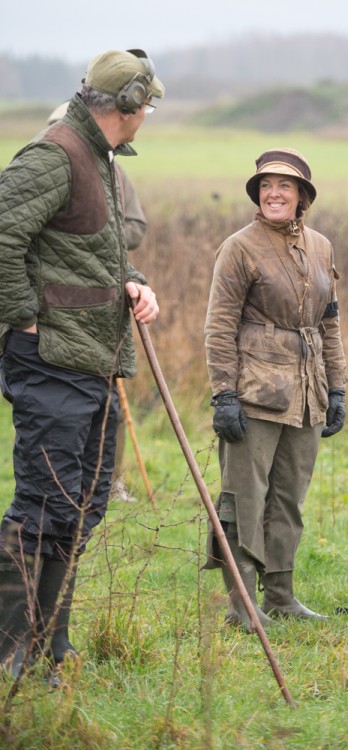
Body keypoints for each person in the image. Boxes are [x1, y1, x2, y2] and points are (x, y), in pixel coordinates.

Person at [0, 48, 164, 677]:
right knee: (42, 507)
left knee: (81, 504)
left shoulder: (98, 156)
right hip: (50, 361)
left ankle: (49, 645)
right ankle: (10, 653)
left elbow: (91, 252)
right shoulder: (55, 154)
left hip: (92, 361)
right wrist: (22, 314)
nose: (147, 115)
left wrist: (135, 282)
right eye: (146, 105)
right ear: (127, 106)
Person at [204, 148, 347, 630]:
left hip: (307, 395)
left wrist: (338, 388)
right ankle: (242, 604)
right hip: (253, 393)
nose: (274, 193)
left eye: (285, 186)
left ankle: (281, 596)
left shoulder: (322, 246)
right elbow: (218, 326)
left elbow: (330, 324)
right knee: (245, 497)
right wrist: (224, 394)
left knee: (289, 497)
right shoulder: (239, 247)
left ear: (303, 195)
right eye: (266, 185)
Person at [48, 101, 149, 504]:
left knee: (109, 406)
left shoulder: (113, 173)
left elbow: (136, 226)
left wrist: (100, 240)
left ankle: (108, 483)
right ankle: (60, 489)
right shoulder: (44, 168)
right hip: (55, 318)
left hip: (107, 297)